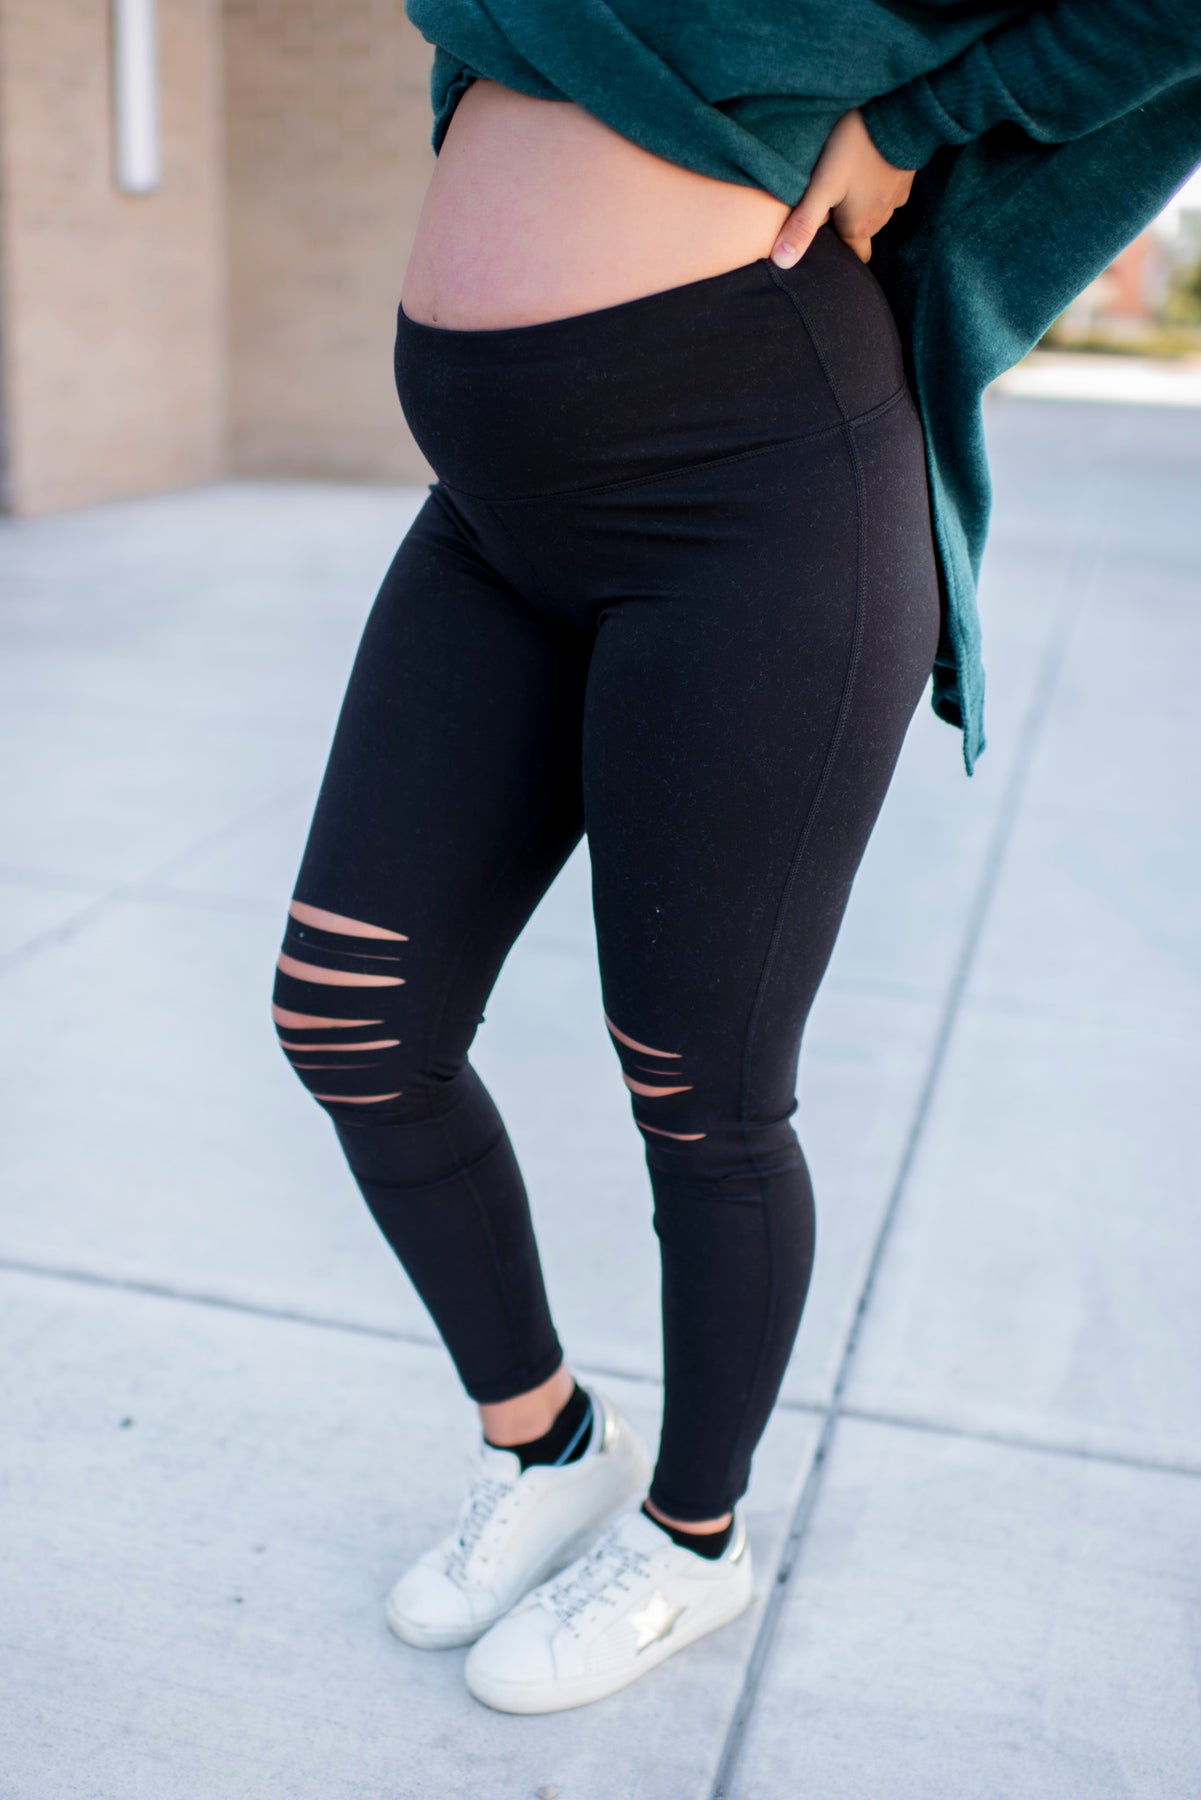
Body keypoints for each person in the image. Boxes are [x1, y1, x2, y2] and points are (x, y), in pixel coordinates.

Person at [272, 4, 1201, 1715]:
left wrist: (915, 124)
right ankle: (548, 1446)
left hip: (752, 493)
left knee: (698, 1091)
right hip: (492, 508)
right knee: (349, 1016)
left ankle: (693, 1539)